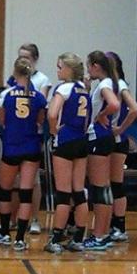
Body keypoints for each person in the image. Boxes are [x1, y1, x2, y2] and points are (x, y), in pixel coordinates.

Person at [0, 57, 47, 251]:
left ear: (15, 73)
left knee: (5, 192)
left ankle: (5, 233)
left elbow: (1, 121)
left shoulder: (6, 94)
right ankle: (21, 239)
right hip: (31, 147)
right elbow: (40, 121)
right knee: (26, 194)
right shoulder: (38, 96)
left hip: (12, 147)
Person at [44, 52, 91, 254]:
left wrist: (54, 130)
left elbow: (52, 114)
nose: (57, 71)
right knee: (79, 191)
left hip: (65, 141)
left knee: (63, 193)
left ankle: (55, 239)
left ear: (69, 69)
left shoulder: (63, 88)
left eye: (60, 67)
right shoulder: (84, 90)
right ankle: (78, 238)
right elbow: (88, 119)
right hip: (81, 141)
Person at [6, 43, 52, 235]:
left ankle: (34, 219)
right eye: (20, 56)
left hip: (33, 134)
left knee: (33, 180)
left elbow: (41, 107)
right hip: (14, 135)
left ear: (35, 59)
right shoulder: (12, 79)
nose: (23, 60)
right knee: (14, 181)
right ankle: (12, 219)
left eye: (26, 57)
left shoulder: (42, 80)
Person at [83, 50, 121, 251]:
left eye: (88, 66)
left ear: (96, 66)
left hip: (98, 136)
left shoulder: (105, 84)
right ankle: (103, 233)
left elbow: (114, 104)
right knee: (104, 187)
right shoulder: (108, 82)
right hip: (105, 137)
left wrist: (101, 115)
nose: (88, 70)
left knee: (99, 188)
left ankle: (99, 235)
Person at [105, 51, 137, 242]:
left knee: (115, 184)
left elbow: (135, 109)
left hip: (116, 140)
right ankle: (110, 224)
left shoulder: (119, 85)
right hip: (105, 139)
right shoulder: (107, 84)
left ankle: (119, 226)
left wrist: (120, 129)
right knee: (107, 184)